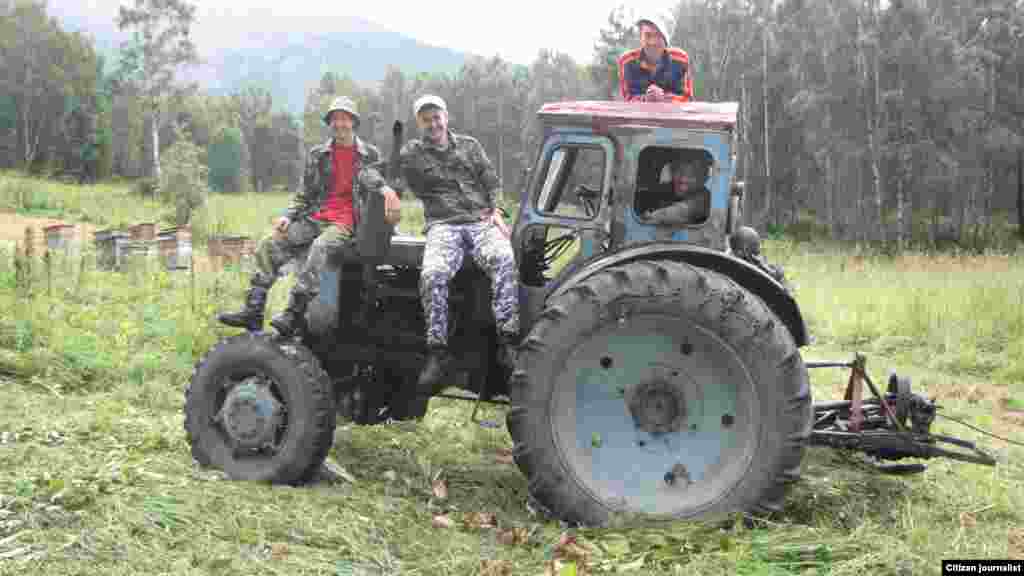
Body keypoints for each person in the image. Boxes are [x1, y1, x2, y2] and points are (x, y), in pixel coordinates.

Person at [218, 96, 402, 336]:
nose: (339, 124)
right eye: (335, 119)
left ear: (353, 122)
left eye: (345, 119)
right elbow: (304, 193)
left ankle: (294, 312)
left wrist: (387, 201)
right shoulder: (318, 154)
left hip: (346, 222)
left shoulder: (370, 155)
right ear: (330, 124)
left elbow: (378, 186)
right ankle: (253, 310)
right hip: (316, 216)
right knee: (269, 243)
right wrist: (288, 215)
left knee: (320, 248)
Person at [395, 94, 519, 395]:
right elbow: (385, 170)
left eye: (436, 117)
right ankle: (438, 354)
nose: (433, 123)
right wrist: (385, 192)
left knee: (503, 258)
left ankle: (508, 343)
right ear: (419, 124)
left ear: (446, 117)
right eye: (426, 119)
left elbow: (492, 181)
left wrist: (498, 212)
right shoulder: (411, 153)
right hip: (443, 225)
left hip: (480, 220)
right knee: (433, 274)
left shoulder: (470, 146)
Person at [618, 17, 694, 103]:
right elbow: (627, 99)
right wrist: (646, 99)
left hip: (673, 115)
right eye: (647, 35)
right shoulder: (626, 61)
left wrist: (663, 98)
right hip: (638, 115)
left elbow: (687, 99)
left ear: (666, 40)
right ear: (640, 37)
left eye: (658, 36)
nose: (652, 42)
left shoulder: (681, 59)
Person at [642, 155, 711, 224]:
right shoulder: (663, 189)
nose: (683, 179)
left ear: (701, 181)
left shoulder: (704, 198)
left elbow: (683, 211)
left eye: (691, 176)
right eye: (679, 172)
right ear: (672, 173)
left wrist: (655, 216)